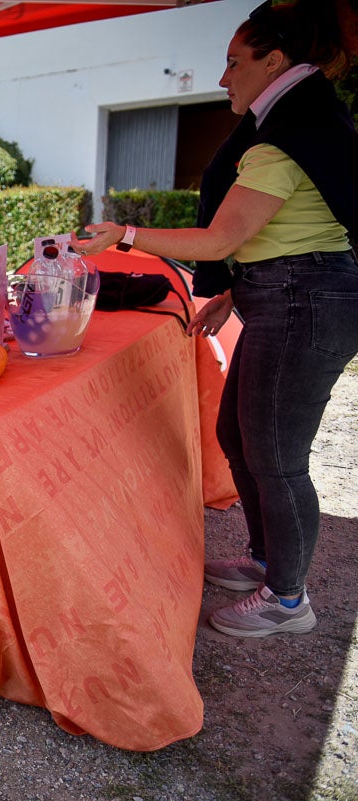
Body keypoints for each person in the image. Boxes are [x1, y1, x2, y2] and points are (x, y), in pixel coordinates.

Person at [78, 0, 358, 638]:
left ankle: (289, 600)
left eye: (235, 63)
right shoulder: (299, 127)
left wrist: (125, 234)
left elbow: (220, 238)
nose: (225, 77)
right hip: (289, 297)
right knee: (239, 437)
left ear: (275, 61)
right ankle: (266, 560)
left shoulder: (283, 141)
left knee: (279, 457)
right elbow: (279, 234)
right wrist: (235, 294)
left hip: (303, 305)